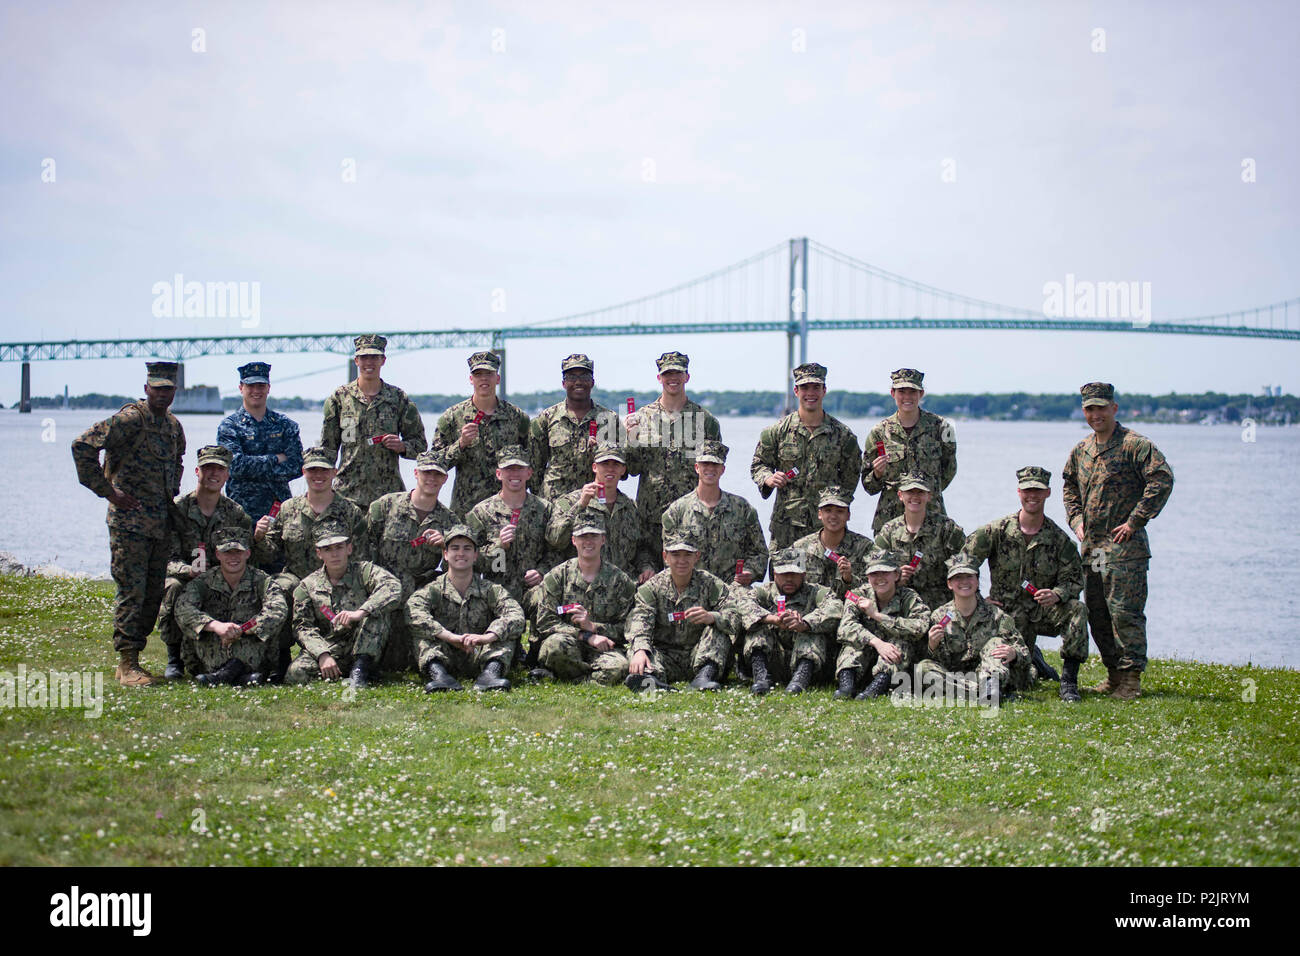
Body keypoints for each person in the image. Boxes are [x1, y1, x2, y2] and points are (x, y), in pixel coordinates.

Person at [71, 361, 186, 687]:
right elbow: (82, 446)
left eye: (169, 389)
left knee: (152, 596)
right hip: (129, 525)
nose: (163, 394)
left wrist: (172, 491)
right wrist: (108, 491)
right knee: (131, 594)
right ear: (147, 387)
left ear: (174, 391)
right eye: (157, 388)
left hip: (159, 525)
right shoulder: (129, 420)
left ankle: (134, 660)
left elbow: (178, 460)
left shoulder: (173, 427)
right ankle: (127, 663)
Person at [1062, 382, 1174, 701]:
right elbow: (1069, 486)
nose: (1096, 414)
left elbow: (1161, 479)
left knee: (1125, 614)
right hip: (1092, 550)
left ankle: (1131, 680)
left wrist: (1135, 520)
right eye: (1089, 409)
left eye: (1101, 408)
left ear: (1114, 408)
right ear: (1084, 412)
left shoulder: (1135, 445)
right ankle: (1113, 675)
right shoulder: (1081, 450)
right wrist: (1076, 520)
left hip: (1126, 549)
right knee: (1098, 614)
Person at [964, 465, 1089, 701]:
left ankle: (1069, 681)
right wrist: (977, 597)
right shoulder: (996, 531)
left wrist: (1057, 594)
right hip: (1006, 614)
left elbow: (1075, 578)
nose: (1032, 496)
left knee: (1077, 610)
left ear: (1047, 493)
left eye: (1038, 491)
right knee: (1017, 680)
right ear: (1019, 492)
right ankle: (1035, 661)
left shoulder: (1058, 538)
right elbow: (963, 563)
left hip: (1043, 612)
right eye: (1027, 490)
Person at [252, 446, 368, 682]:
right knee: (279, 588)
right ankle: (278, 659)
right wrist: (259, 538)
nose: (318, 476)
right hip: (297, 578)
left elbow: (361, 557)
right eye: (312, 470)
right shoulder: (288, 509)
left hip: (338, 581)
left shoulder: (350, 511)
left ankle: (354, 660)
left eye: (324, 470)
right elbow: (270, 554)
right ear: (303, 472)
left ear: (334, 472)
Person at [661, 439, 768, 672]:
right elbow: (669, 556)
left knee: (752, 610)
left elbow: (759, 552)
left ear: (723, 470)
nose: (710, 469)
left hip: (731, 588)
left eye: (715, 465)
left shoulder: (742, 509)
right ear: (696, 467)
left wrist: (750, 572)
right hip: (692, 588)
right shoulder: (677, 511)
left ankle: (756, 667)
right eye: (705, 464)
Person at [157, 444, 252, 679]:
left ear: (227, 475)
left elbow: (248, 553)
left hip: (222, 579)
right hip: (187, 578)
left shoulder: (235, 513)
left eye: (219, 469)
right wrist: (187, 570)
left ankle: (240, 656)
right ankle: (174, 658)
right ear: (197, 472)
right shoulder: (178, 510)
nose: (213, 474)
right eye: (207, 468)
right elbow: (164, 559)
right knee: (173, 587)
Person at [623, 350, 722, 564]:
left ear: (687, 377)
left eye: (678, 373)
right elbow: (630, 469)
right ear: (659, 378)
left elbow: (714, 470)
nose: (673, 379)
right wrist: (629, 437)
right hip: (651, 520)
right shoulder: (641, 417)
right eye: (667, 374)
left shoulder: (706, 421)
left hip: (693, 519)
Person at [751, 362, 862, 551]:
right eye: (805, 387)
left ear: (824, 390)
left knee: (827, 579)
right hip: (787, 526)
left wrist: (835, 509)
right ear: (796, 390)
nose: (810, 393)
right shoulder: (777, 431)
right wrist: (768, 478)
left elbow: (851, 477)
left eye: (816, 387)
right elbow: (759, 464)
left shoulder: (842, 435)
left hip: (827, 530)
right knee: (784, 580)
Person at [366, 449, 457, 673]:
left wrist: (445, 547)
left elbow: (455, 569)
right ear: (416, 473)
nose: (432, 479)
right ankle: (363, 666)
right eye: (426, 473)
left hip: (419, 589)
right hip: (383, 586)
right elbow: (364, 548)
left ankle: (434, 663)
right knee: (387, 657)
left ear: (445, 479)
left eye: (437, 475)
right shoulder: (386, 506)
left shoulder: (449, 521)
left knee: (399, 658)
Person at [404, 525, 525, 693]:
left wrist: (486, 638)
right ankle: (439, 676)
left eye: (467, 548)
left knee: (505, 634)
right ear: (445, 554)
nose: (461, 553)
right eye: (455, 548)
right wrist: (450, 637)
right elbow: (413, 613)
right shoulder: (433, 589)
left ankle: (490, 675)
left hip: (480, 654)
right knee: (424, 635)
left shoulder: (490, 589)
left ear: (475, 556)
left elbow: (516, 615)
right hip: (445, 654)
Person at [465, 445, 556, 664]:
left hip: (532, 587)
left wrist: (542, 572)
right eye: (508, 469)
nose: (514, 475)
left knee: (546, 600)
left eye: (519, 469)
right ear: (499, 474)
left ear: (529, 473)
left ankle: (537, 652)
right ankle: (506, 651)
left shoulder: (545, 509)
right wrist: (498, 546)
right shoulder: (481, 512)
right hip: (497, 588)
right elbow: (470, 560)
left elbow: (556, 550)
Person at [286, 522, 401, 688]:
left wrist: (361, 612)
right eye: (327, 549)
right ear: (319, 554)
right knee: (296, 673)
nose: (334, 554)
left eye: (339, 547)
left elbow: (393, 586)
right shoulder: (307, 586)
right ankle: (340, 670)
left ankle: (361, 670)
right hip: (331, 646)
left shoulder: (364, 572)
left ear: (349, 549)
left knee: (376, 614)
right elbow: (302, 626)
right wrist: (322, 655)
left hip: (364, 641)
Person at [319, 333, 428, 507]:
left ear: (383, 360)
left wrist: (402, 447)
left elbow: (420, 446)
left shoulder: (398, 398)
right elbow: (327, 450)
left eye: (374, 357)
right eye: (364, 357)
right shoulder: (339, 398)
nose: (368, 362)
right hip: (347, 494)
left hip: (388, 496)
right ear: (356, 361)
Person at [624, 532, 739, 692]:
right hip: (665, 657)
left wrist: (711, 617)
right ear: (665, 557)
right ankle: (651, 679)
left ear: (696, 556)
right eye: (676, 555)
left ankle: (704, 677)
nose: (682, 561)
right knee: (638, 647)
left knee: (718, 630)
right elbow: (640, 620)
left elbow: (734, 613)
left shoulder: (710, 584)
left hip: (699, 655)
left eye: (688, 555)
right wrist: (640, 650)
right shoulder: (652, 588)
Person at [174, 528, 290, 687]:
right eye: (227, 552)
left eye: (238, 552)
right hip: (213, 644)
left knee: (256, 641)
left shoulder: (261, 580)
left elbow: (277, 609)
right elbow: (183, 608)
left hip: (249, 642)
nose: (233, 557)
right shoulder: (204, 581)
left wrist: (243, 629)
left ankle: (223, 676)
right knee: (200, 634)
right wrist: (216, 626)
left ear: (247, 553)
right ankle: (244, 678)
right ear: (218, 555)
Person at [532, 511, 636, 685]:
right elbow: (545, 622)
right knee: (553, 647)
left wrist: (594, 627)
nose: (588, 541)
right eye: (582, 536)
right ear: (574, 541)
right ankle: (590, 677)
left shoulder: (620, 581)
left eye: (594, 536)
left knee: (619, 666)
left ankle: (563, 676)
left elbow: (627, 628)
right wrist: (585, 635)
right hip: (569, 643)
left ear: (603, 539)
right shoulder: (557, 577)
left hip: (604, 648)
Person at [917, 553, 1030, 706]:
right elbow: (934, 660)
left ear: (977, 581)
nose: (964, 582)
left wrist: (1013, 653)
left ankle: (989, 687)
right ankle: (983, 693)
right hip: (957, 677)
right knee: (923, 669)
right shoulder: (939, 617)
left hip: (989, 673)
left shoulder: (996, 615)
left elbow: (1024, 653)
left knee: (996, 642)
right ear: (949, 584)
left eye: (969, 576)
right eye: (958, 577)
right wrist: (932, 645)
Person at [432, 350, 531, 518]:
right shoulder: (452, 417)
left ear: (497, 379)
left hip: (507, 510)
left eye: (489, 374)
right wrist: (461, 444)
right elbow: (435, 466)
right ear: (471, 379)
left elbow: (531, 461)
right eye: (478, 374)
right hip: (466, 509)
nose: (484, 379)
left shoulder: (517, 417)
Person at [860, 368, 957, 534]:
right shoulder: (879, 433)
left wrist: (926, 494)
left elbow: (949, 469)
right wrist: (877, 474)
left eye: (912, 391)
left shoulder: (941, 428)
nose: (907, 397)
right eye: (901, 391)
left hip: (931, 519)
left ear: (921, 394)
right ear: (892, 393)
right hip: (890, 520)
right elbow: (869, 486)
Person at [546, 442, 655, 582]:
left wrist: (646, 567)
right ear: (594, 467)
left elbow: (641, 548)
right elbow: (554, 539)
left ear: (623, 470)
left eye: (615, 464)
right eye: (605, 464)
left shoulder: (630, 507)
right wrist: (580, 505)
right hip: (584, 585)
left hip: (623, 585)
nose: (610, 469)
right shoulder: (571, 502)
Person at [742, 548, 843, 696]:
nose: (789, 579)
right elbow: (743, 605)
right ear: (775, 574)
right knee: (758, 628)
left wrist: (805, 623)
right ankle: (761, 678)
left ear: (803, 574)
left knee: (811, 632)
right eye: (784, 574)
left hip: (813, 666)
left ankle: (800, 680)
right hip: (774, 661)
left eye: (794, 574)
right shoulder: (764, 592)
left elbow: (835, 608)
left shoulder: (817, 592)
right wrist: (773, 619)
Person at [834, 548, 930, 700]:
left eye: (885, 572)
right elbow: (845, 628)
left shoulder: (909, 597)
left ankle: (875, 689)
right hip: (866, 653)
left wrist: (877, 616)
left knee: (899, 644)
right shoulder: (858, 595)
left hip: (893, 665)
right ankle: (846, 687)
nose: (880, 578)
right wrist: (877, 643)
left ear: (896, 575)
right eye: (874, 574)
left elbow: (920, 627)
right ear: (867, 577)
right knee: (852, 643)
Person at [215, 361, 303, 522]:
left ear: (268, 388)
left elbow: (297, 466)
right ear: (241, 388)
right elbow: (235, 467)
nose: (256, 391)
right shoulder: (229, 426)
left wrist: (252, 469)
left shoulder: (285, 425)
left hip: (278, 511)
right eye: (251, 386)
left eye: (261, 386)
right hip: (241, 512)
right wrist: (275, 459)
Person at [873, 473, 966, 612]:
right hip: (901, 609)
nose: (915, 497)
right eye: (909, 492)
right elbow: (873, 571)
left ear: (929, 496)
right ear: (900, 495)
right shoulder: (889, 532)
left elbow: (966, 567)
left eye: (920, 492)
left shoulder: (947, 528)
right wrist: (895, 578)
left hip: (941, 607)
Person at [528, 353, 613, 501]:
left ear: (592, 382)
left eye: (584, 377)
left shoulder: (609, 420)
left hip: (594, 504)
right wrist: (542, 500)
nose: (578, 382)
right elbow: (533, 468)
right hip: (554, 503)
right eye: (572, 377)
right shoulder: (546, 419)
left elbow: (622, 470)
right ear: (563, 383)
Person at [789, 486, 874, 600]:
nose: (833, 516)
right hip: (811, 614)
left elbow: (874, 589)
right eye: (828, 510)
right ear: (820, 514)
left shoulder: (864, 547)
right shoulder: (800, 548)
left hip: (849, 612)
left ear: (848, 515)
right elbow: (791, 588)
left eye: (840, 511)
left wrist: (849, 579)